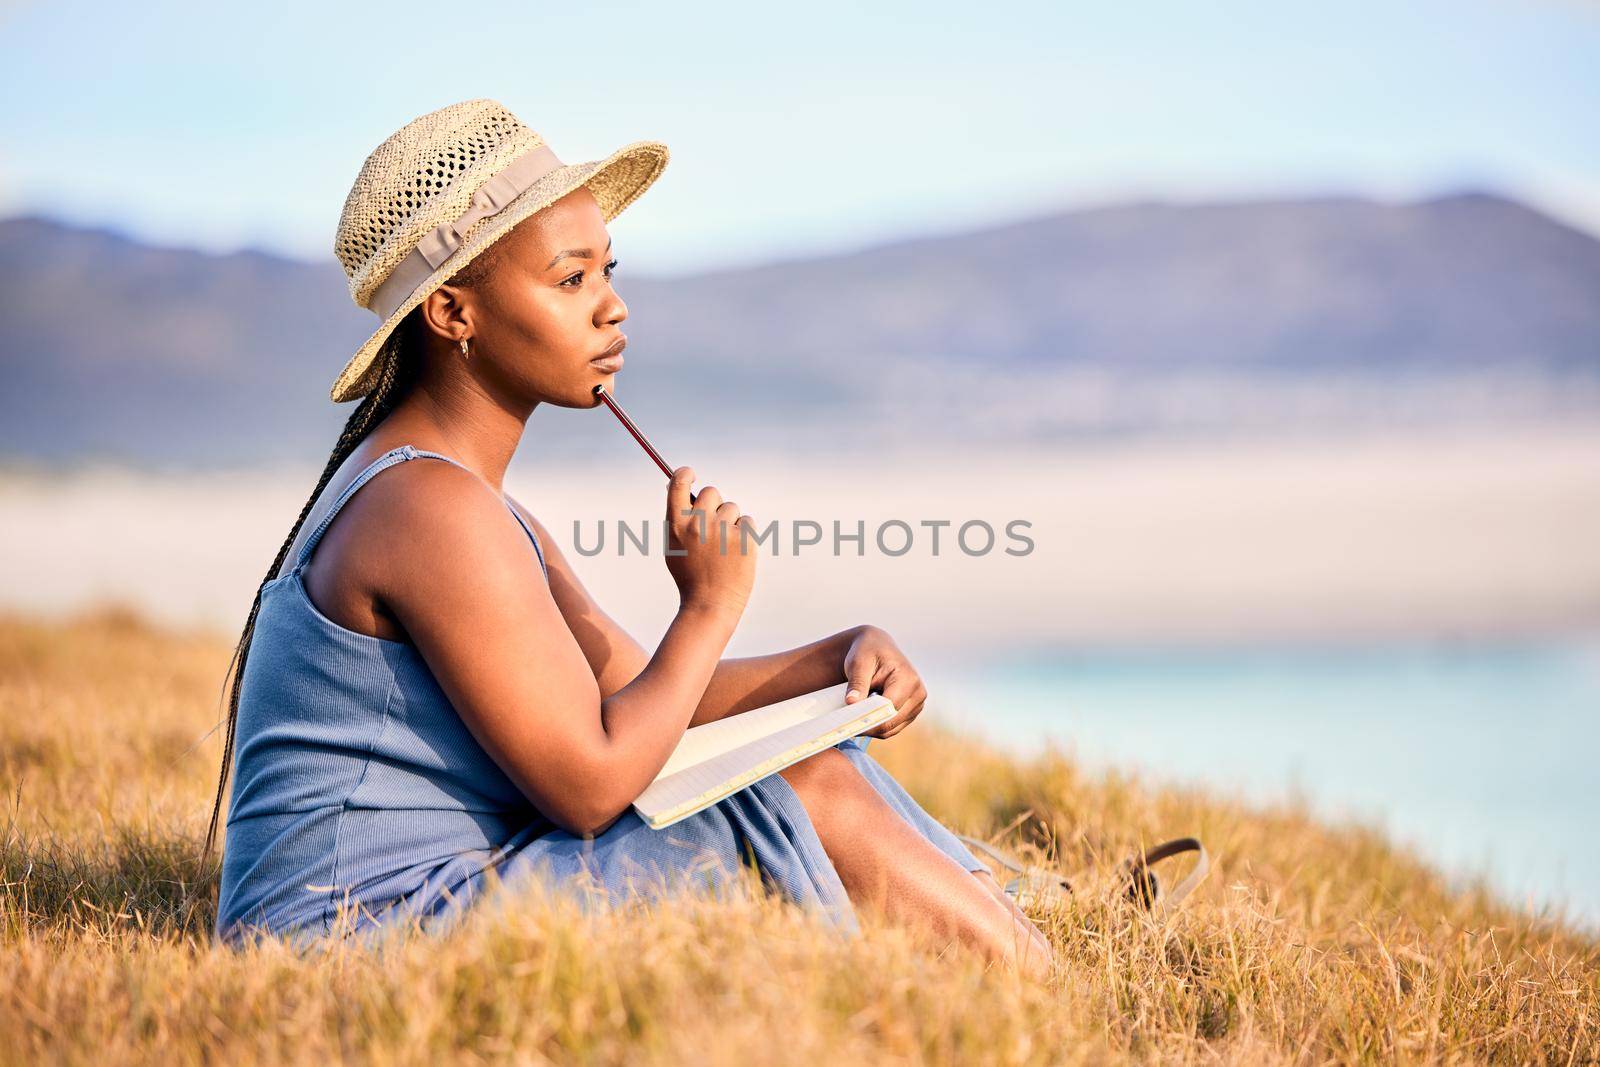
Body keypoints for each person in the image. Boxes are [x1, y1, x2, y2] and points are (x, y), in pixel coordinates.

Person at [208, 99, 1054, 976]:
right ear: (454, 314)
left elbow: (636, 699)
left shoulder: (463, 503)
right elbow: (589, 784)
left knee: (811, 758)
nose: (613, 309)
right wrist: (710, 608)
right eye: (571, 280)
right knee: (800, 790)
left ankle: (1007, 924)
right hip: (357, 942)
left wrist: (838, 660)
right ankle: (1053, 997)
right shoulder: (429, 510)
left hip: (419, 904)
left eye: (608, 271)